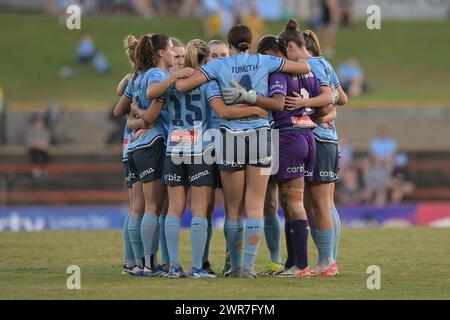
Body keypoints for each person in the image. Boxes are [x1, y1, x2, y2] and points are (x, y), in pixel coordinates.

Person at [174, 24, 311, 278]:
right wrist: (255, 100)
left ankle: (235, 266)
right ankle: (249, 267)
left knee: (233, 209)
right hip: (259, 133)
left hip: (229, 137)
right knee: (256, 206)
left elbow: (183, 87)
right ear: (251, 41)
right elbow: (304, 67)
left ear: (229, 43)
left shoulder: (218, 66)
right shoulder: (264, 60)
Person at [145, 39, 268, 278]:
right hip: (203, 147)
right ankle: (199, 267)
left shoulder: (171, 83)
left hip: (174, 147)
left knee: (174, 209)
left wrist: (138, 116)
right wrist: (256, 108)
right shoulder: (209, 83)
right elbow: (222, 111)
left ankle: (173, 266)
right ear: (205, 61)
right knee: (202, 210)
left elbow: (153, 101)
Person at [279, 22, 348, 276]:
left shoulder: (312, 66)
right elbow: (342, 98)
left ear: (295, 46)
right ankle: (329, 258)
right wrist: (330, 113)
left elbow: (329, 98)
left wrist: (307, 103)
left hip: (317, 136)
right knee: (326, 204)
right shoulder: (326, 63)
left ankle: (327, 260)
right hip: (330, 137)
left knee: (317, 204)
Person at [114, 34, 186, 277]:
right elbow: (151, 116)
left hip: (133, 146)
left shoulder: (137, 76)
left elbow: (118, 109)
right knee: (153, 208)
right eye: (170, 51)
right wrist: (141, 114)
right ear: (160, 53)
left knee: (138, 208)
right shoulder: (157, 75)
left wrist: (133, 113)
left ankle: (133, 264)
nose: (174, 55)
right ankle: (148, 265)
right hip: (153, 142)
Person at [256, 35, 325, 277]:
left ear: (271, 54)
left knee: (293, 202)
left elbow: (277, 103)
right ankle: (292, 263)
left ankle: (301, 265)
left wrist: (250, 98)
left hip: (289, 137)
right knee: (290, 201)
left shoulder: (278, 73)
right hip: (308, 136)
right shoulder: (309, 73)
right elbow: (323, 108)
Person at [114, 35, 146, 276]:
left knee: (136, 207)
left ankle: (130, 260)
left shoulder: (130, 78)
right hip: (141, 141)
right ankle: (136, 262)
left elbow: (118, 96)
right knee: (141, 207)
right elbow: (120, 108)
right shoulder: (145, 78)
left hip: (129, 144)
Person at [25, 114, 51, 179]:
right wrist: (38, 144)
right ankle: (36, 171)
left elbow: (46, 144)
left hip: (42, 150)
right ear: (34, 123)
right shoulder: (30, 131)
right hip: (33, 150)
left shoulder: (45, 131)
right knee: (34, 153)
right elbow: (28, 143)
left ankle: (42, 170)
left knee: (43, 154)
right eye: (37, 122)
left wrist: (36, 143)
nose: (38, 124)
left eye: (40, 122)